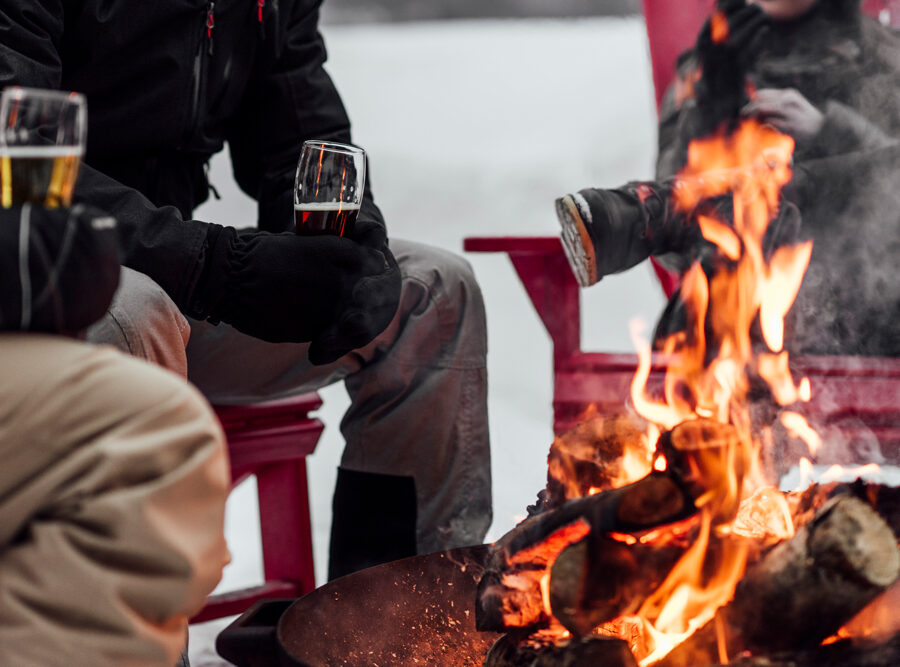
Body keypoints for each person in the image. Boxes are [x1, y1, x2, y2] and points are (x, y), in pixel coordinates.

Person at [0, 0, 492, 578]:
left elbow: (301, 138)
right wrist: (214, 266)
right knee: (138, 309)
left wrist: (354, 248)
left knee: (432, 294)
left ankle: (391, 635)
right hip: (33, 295)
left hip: (176, 284)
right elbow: (20, 161)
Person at [557, 0, 900, 358]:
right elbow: (673, 256)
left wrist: (829, 130)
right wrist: (713, 102)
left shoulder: (888, 59)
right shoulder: (713, 59)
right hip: (734, 333)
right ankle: (671, 210)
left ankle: (662, 211)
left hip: (871, 324)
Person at [0, 205, 231, 666]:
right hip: (146, 259)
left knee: (418, 292)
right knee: (147, 411)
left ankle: (371, 612)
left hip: (179, 262)